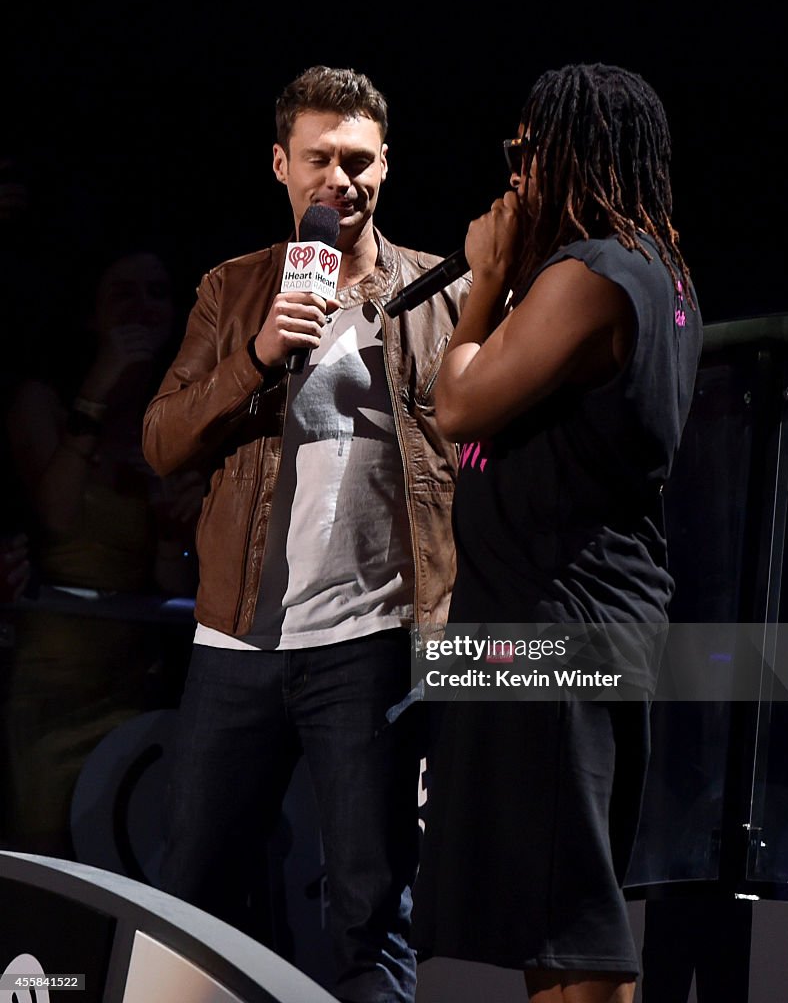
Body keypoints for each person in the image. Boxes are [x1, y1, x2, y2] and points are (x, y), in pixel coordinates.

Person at [141, 64, 470, 1003]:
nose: (342, 181)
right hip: (236, 639)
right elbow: (161, 443)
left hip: (370, 645)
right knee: (190, 902)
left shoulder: (441, 295)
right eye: (320, 159)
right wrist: (255, 356)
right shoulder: (235, 289)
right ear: (281, 166)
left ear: (386, 167)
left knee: (369, 914)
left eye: (360, 161)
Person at [410, 63, 703, 1003]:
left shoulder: (588, 275)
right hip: (572, 619)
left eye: (529, 152)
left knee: (574, 928)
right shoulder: (662, 274)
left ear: (575, 151)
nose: (517, 177)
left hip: (550, 627)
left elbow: (456, 403)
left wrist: (488, 279)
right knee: (555, 913)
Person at [2, 244, 201, 856]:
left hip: (138, 683)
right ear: (91, 314)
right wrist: (99, 389)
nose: (143, 308)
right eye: (123, 293)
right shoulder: (45, 400)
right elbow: (57, 516)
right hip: (54, 677)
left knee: (127, 852)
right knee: (47, 860)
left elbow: (175, 580)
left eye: (157, 293)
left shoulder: (182, 409)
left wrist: (173, 530)